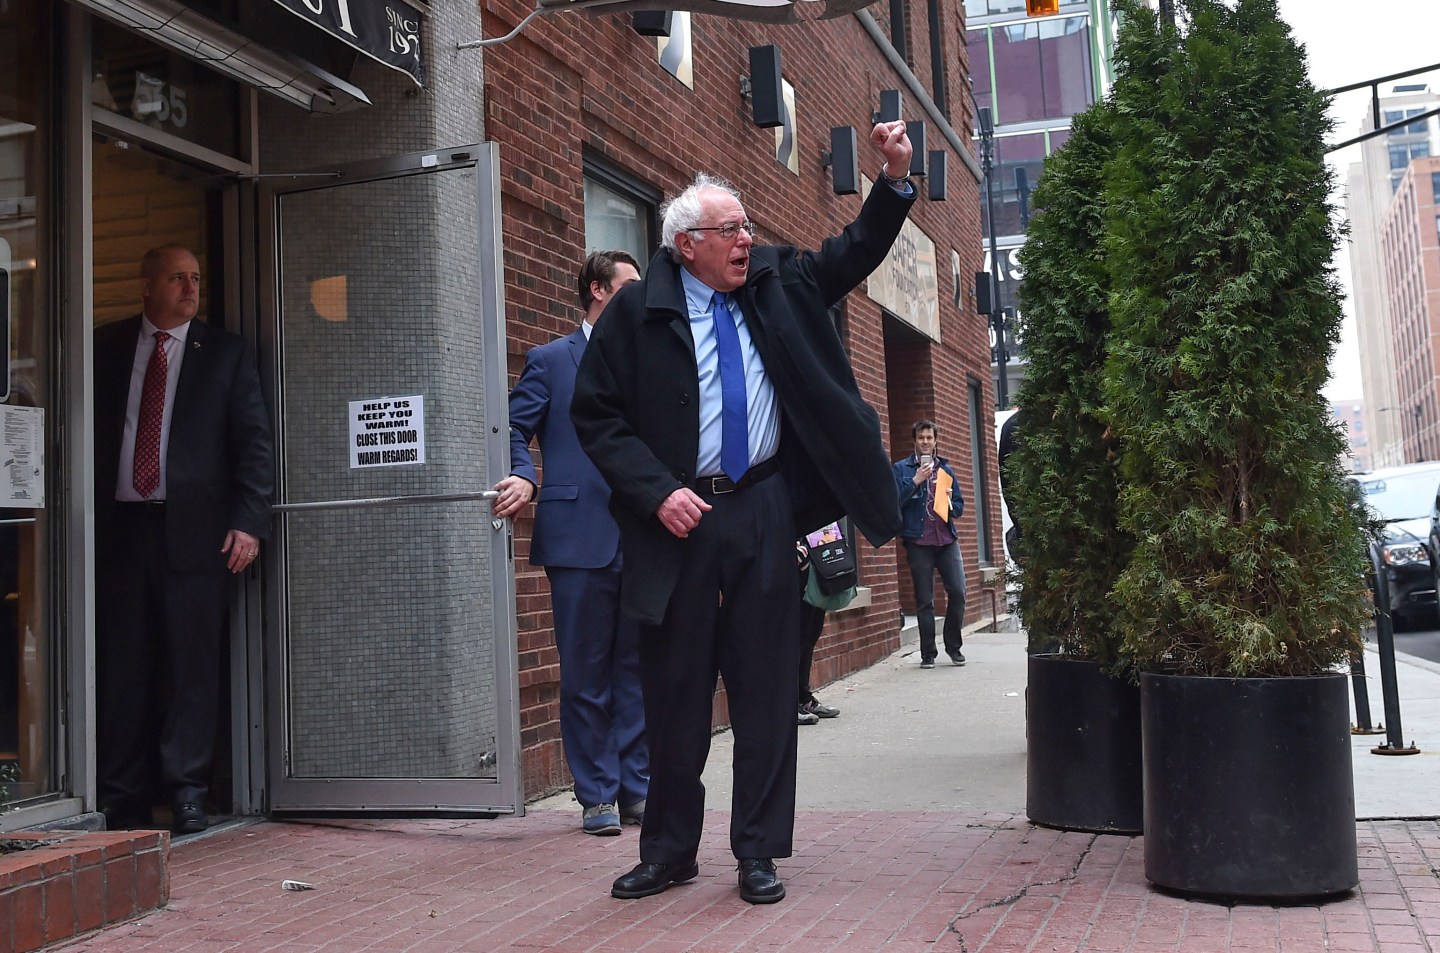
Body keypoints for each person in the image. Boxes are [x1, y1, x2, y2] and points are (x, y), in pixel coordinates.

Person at [572, 120, 914, 906]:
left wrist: (893, 181)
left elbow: (850, 252)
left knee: (764, 689)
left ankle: (758, 851)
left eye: (749, 227)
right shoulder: (635, 313)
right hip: (677, 520)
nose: (746, 240)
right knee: (676, 693)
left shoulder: (777, 281)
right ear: (686, 243)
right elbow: (596, 416)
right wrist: (656, 489)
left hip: (761, 508)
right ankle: (668, 850)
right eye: (731, 230)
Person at [93, 245, 274, 834]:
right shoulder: (106, 346)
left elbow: (253, 443)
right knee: (123, 667)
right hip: (120, 531)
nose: (191, 287)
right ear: (147, 286)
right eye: (177, 278)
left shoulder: (223, 352)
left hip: (196, 534)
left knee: (191, 667)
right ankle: (123, 794)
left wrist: (249, 520)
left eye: (196, 277)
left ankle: (188, 790)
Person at [492, 250, 649, 837]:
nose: (640, 294)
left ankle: (639, 788)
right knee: (586, 672)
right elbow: (513, 425)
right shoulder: (551, 360)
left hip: (641, 534)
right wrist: (524, 475)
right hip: (576, 535)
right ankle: (598, 795)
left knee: (636, 669)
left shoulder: (649, 359)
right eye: (629, 285)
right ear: (596, 290)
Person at [893, 420, 967, 669]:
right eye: (921, 438)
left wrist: (949, 503)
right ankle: (928, 654)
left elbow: (959, 508)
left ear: (936, 441)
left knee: (958, 592)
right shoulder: (902, 469)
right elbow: (894, 502)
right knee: (925, 600)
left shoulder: (946, 470)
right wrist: (915, 480)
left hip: (946, 539)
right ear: (914, 440)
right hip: (918, 541)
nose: (926, 442)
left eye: (929, 438)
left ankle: (953, 646)